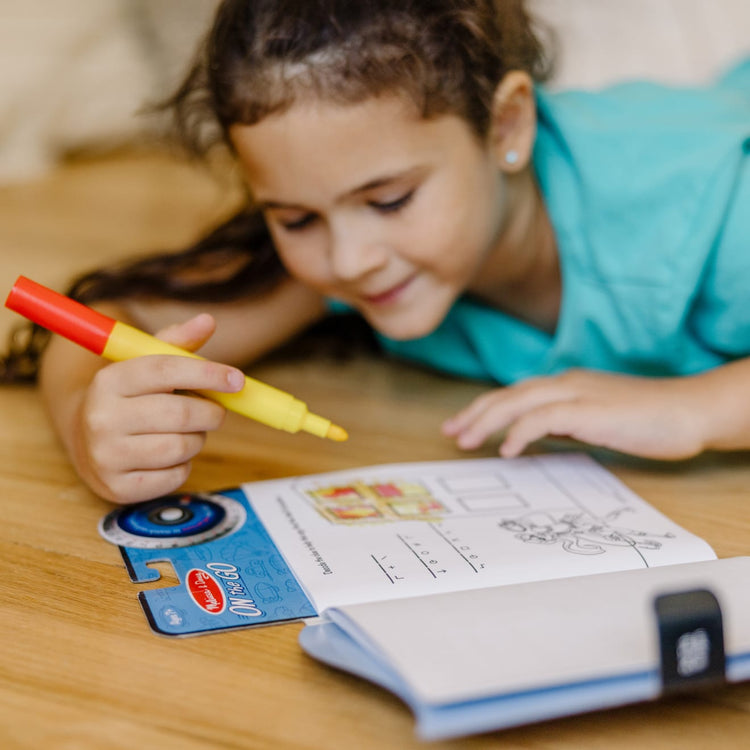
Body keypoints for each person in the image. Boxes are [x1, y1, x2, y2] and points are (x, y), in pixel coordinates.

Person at [3, 0, 749, 505]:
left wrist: (693, 410)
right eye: (293, 217)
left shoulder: (710, 208)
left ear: (508, 126)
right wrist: (85, 427)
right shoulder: (355, 243)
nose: (350, 259)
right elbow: (109, 318)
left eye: (389, 201)